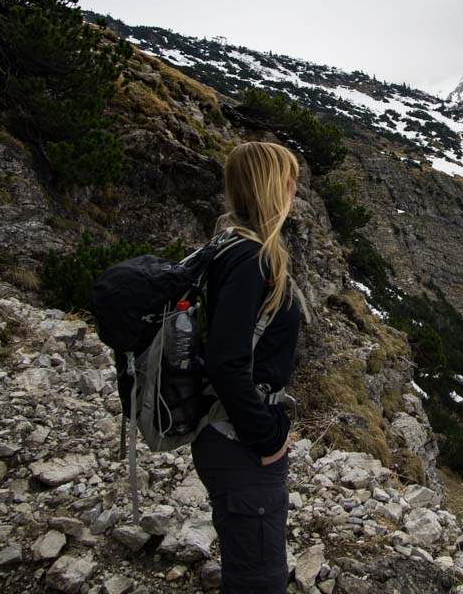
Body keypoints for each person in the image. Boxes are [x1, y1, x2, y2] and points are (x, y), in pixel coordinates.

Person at [193, 141, 303, 593]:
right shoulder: (251, 258)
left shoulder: (228, 246)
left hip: (225, 435)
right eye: (289, 178)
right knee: (259, 582)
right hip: (238, 441)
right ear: (273, 188)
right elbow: (226, 361)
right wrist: (267, 439)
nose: (296, 187)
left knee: (250, 569)